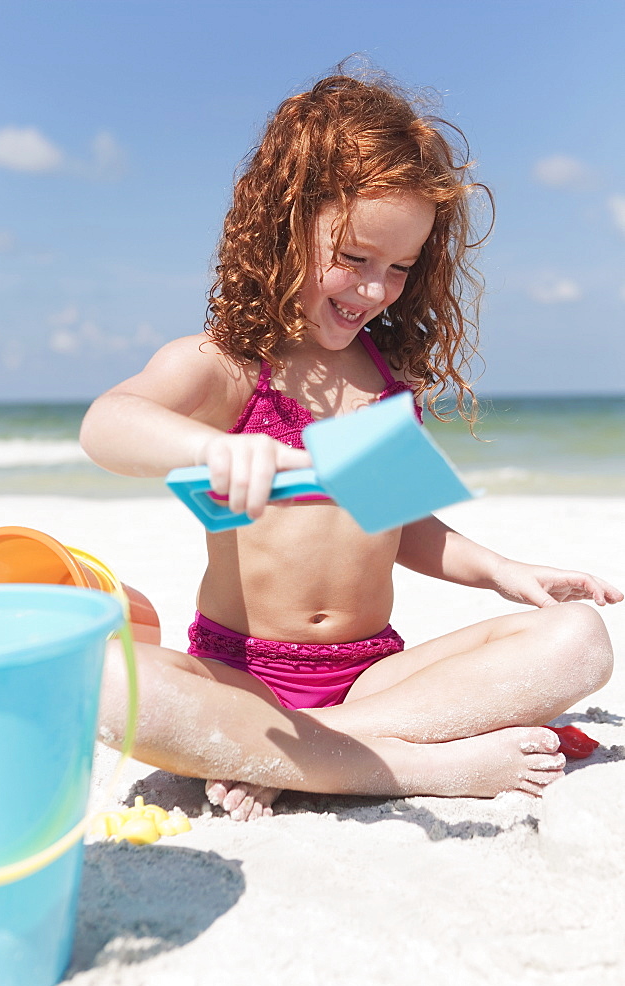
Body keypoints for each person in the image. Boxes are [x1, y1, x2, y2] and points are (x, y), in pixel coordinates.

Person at [80, 71, 622, 821]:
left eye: (400, 268)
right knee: (102, 680)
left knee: (580, 641)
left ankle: (302, 754)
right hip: (240, 676)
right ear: (286, 223)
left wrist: (504, 571)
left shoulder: (386, 381)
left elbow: (400, 525)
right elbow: (108, 423)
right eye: (356, 257)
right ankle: (414, 767)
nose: (374, 289)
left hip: (373, 678)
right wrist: (213, 451)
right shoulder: (232, 367)